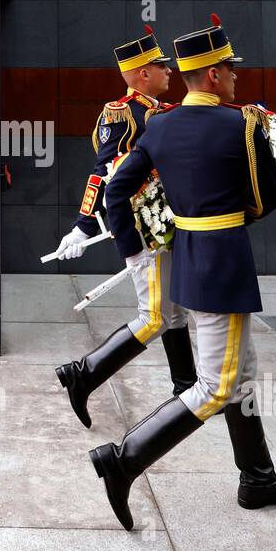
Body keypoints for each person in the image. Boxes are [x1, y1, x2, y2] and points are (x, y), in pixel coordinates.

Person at [92, 15, 276, 530]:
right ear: (212, 75)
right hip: (224, 260)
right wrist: (235, 218)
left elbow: (117, 189)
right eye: (229, 70)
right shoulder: (242, 123)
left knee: (243, 375)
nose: (235, 76)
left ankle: (257, 477)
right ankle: (122, 462)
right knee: (215, 386)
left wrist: (134, 254)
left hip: (189, 255)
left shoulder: (160, 125)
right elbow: (267, 198)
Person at [54, 26, 197, 425]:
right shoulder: (121, 113)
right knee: (153, 315)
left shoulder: (163, 111)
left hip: (165, 224)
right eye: (160, 66)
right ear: (141, 74)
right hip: (142, 227)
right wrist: (83, 225)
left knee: (175, 310)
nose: (169, 72)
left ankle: (186, 387)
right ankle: (83, 375)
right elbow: (103, 173)